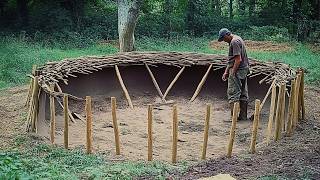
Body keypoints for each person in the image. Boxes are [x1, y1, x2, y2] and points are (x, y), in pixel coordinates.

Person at [218, 28, 250, 121]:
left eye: (223, 39)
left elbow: (238, 60)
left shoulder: (234, 42)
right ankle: (243, 116)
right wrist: (226, 71)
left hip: (238, 69)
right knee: (243, 93)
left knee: (233, 93)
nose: (224, 41)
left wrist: (233, 72)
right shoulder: (238, 38)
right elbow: (232, 59)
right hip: (244, 69)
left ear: (227, 35)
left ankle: (234, 118)